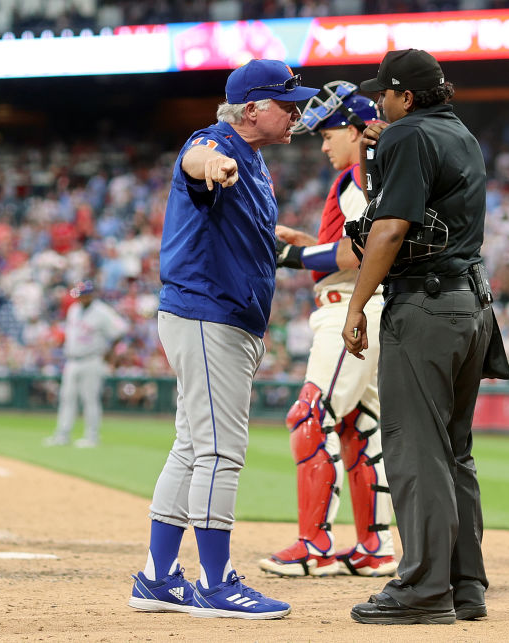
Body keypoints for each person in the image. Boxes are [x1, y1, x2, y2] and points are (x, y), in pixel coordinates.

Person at [127, 59, 319, 620]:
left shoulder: (254, 158)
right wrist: (209, 162)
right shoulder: (216, 144)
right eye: (288, 103)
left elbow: (233, 223)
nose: (297, 112)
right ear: (253, 109)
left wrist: (276, 235)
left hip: (216, 316)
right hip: (210, 315)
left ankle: (159, 578)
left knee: (192, 446)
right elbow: (195, 160)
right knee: (219, 450)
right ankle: (216, 583)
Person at [342, 49, 500, 625]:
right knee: (454, 451)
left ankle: (423, 589)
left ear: (406, 96)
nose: (378, 102)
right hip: (472, 307)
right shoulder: (459, 133)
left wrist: (356, 305)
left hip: (427, 308)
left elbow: (387, 229)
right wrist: (387, 150)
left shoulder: (407, 136)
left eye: (385, 93)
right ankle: (465, 586)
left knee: (415, 452)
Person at [258, 81, 397, 578]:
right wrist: (310, 244)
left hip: (351, 313)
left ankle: (314, 544)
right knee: (358, 427)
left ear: (358, 130)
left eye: (329, 133)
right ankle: (372, 548)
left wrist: (292, 255)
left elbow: (364, 249)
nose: (323, 144)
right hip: (366, 308)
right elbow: (345, 248)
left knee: (311, 417)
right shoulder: (364, 174)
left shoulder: (363, 169)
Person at [44, 281, 129, 448]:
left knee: (90, 399)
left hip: (92, 359)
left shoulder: (103, 311)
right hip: (72, 359)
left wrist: (109, 353)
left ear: (91, 294)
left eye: (83, 295)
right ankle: (62, 434)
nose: (81, 298)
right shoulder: (74, 310)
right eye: (79, 295)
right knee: (67, 397)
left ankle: (92, 436)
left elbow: (121, 330)